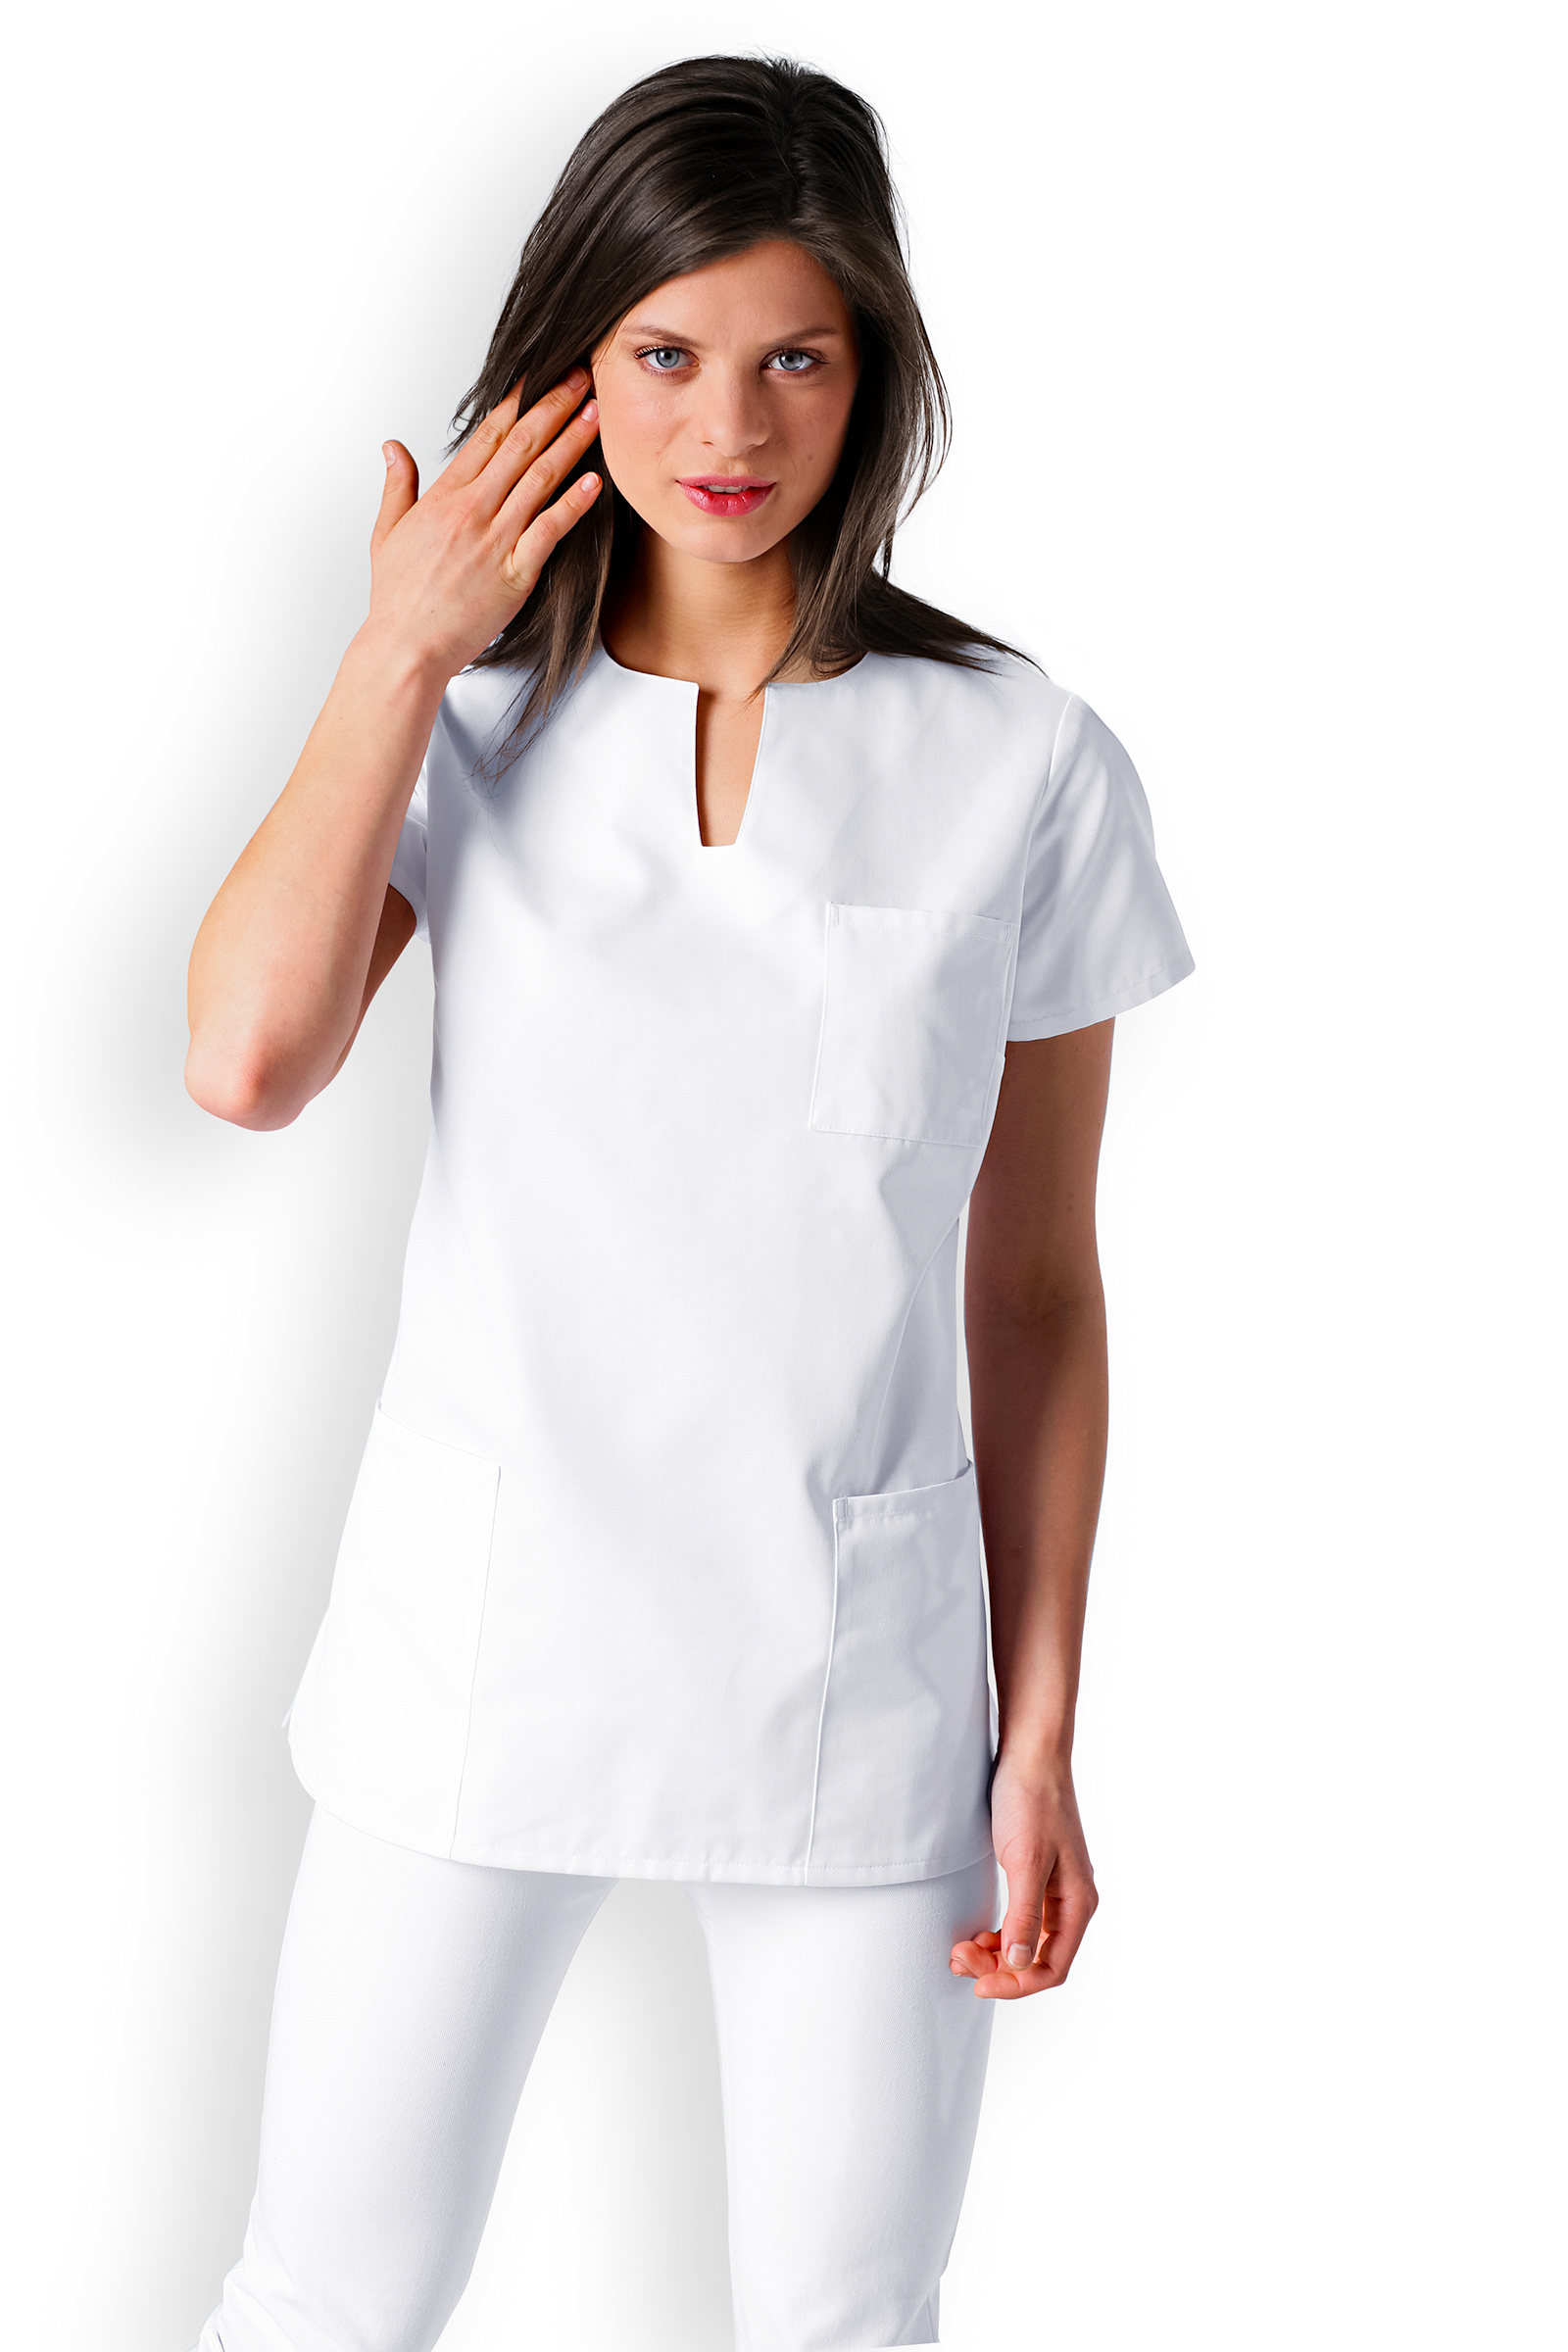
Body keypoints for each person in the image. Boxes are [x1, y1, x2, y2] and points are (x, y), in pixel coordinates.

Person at [183, 51, 1195, 2352]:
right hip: (475, 1649)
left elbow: (1033, 1291)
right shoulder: (459, 722)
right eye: (661, 352)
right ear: (572, 360)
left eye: (792, 359)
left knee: (848, 2322)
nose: (725, 424)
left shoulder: (1020, 762)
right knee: (321, 2300)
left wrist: (1037, 1731)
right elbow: (244, 1064)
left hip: (853, 1682)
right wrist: (393, 646)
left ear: (872, 372)